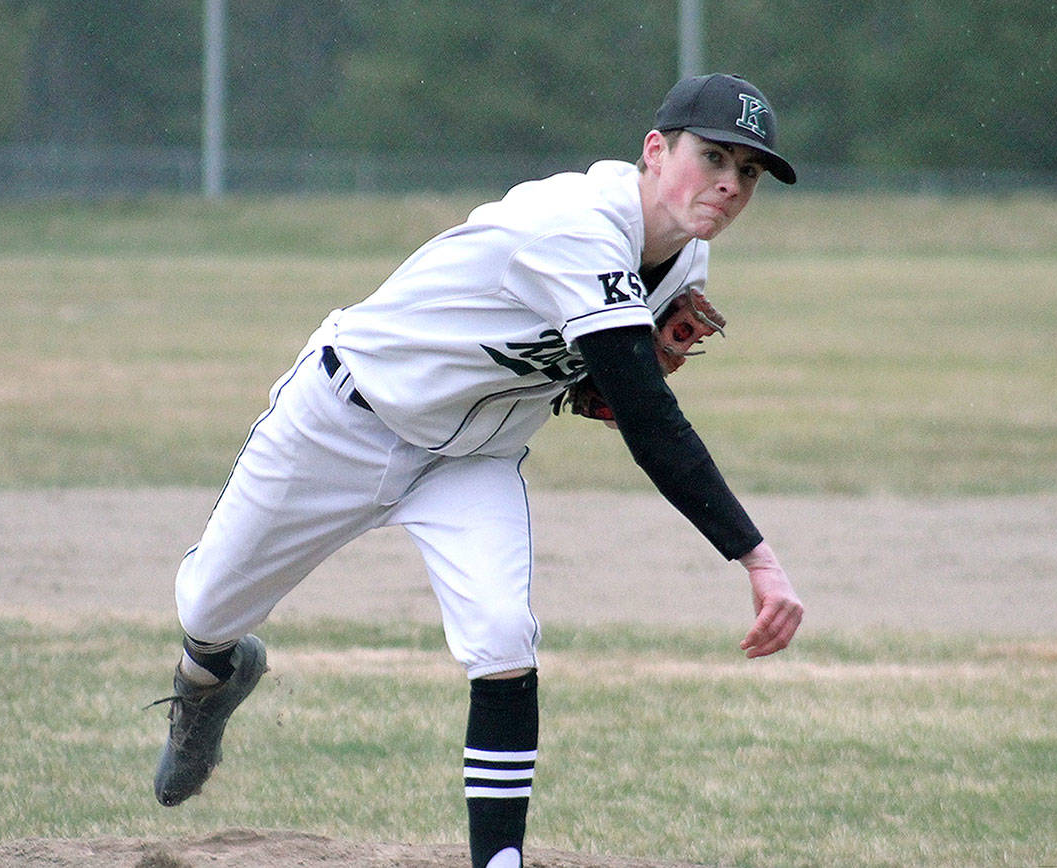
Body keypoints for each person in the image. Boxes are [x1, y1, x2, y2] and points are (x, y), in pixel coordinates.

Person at [151, 72, 804, 868]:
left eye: (749, 173)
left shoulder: (685, 261)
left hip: (473, 460)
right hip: (342, 423)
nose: (730, 185)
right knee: (210, 604)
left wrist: (589, 376)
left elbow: (601, 381)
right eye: (714, 158)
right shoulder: (577, 227)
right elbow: (648, 419)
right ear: (656, 151)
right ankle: (208, 680)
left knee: (502, 637)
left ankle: (500, 863)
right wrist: (756, 556)